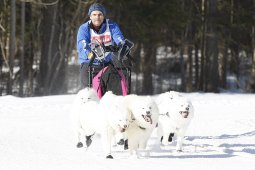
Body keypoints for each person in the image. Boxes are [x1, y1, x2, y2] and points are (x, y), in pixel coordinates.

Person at [76, 3, 125, 88]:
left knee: (112, 89)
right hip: (89, 64)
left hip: (106, 63)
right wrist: (90, 54)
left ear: (103, 16)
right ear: (90, 16)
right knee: (89, 92)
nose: (97, 17)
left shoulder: (111, 25)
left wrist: (122, 47)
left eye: (100, 14)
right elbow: (82, 46)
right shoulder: (84, 28)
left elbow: (119, 38)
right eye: (94, 14)